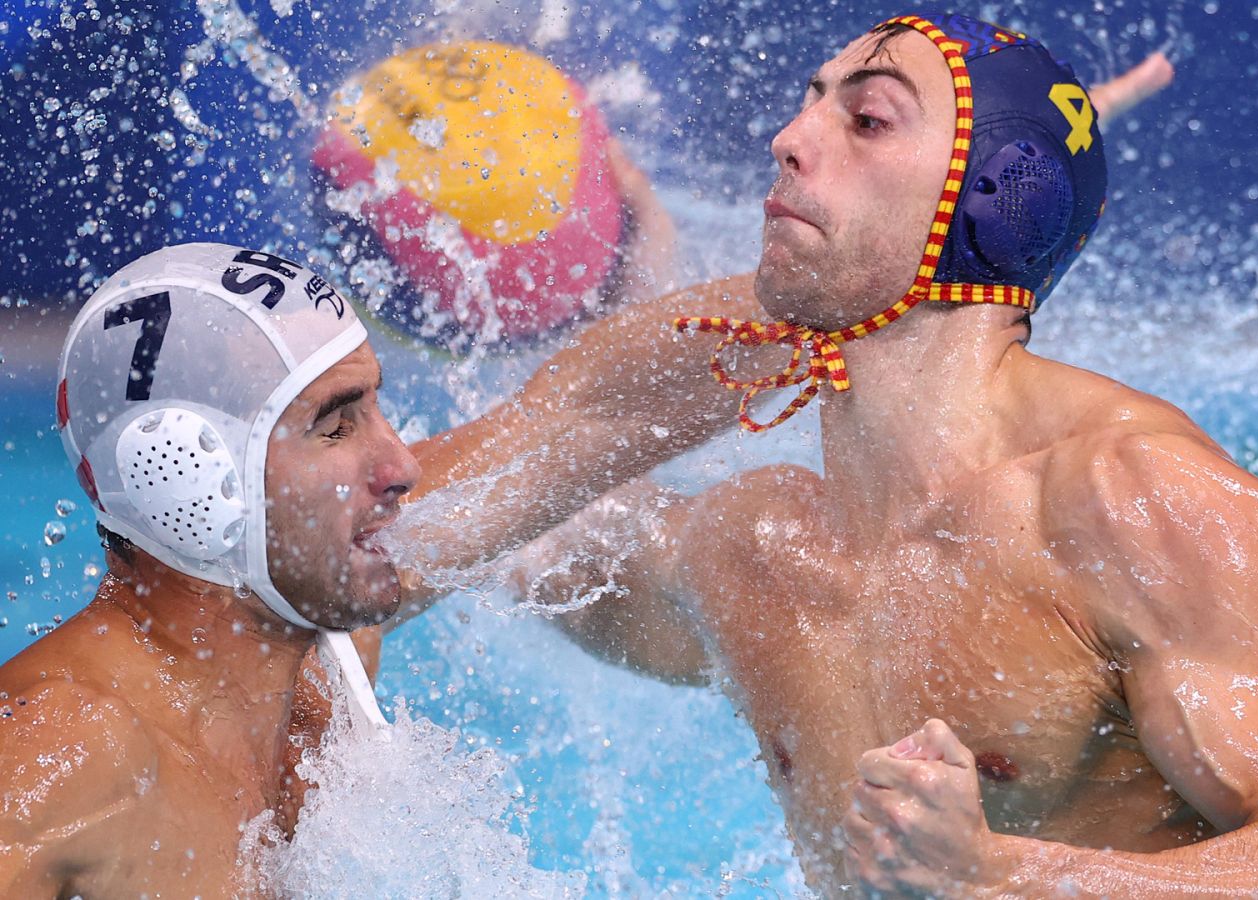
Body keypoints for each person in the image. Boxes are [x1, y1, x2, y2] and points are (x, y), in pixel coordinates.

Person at [515, 13, 1258, 897]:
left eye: (866, 121)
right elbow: (536, 544)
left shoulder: (1138, 507)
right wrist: (593, 304)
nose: (787, 138)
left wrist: (1001, 875)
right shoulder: (762, 549)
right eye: (810, 104)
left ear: (989, 196)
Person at [0, 143, 757, 895]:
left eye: (376, 407)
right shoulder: (59, 754)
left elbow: (582, 418)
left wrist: (847, 299)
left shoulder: (320, 649)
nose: (402, 466)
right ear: (185, 478)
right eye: (336, 425)